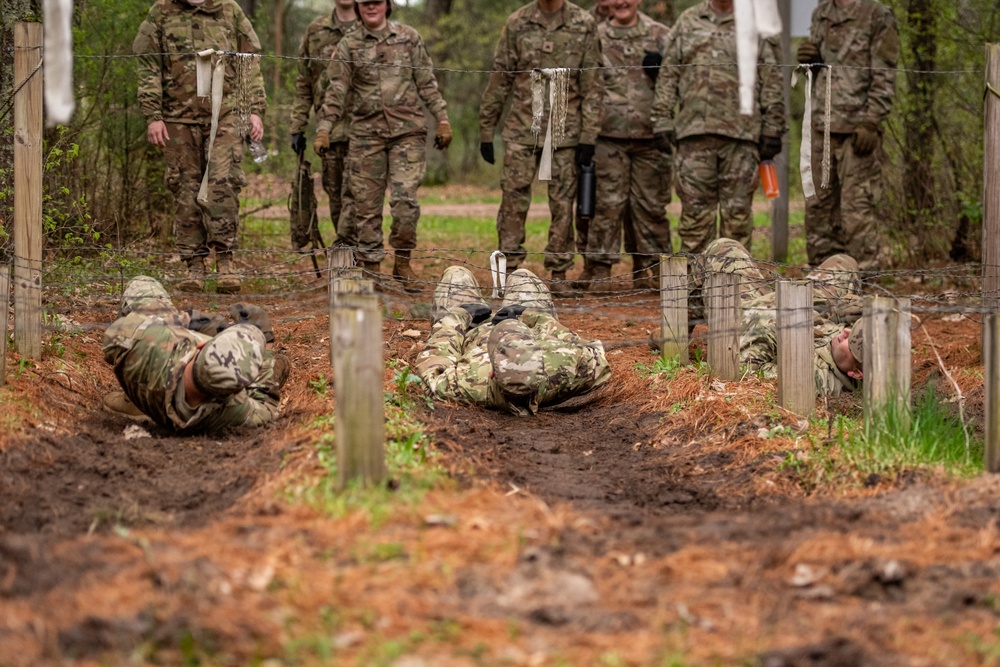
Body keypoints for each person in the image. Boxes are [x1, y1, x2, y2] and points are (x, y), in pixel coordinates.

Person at [315, 0, 451, 293]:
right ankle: (372, 270)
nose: (371, 8)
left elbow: (427, 81)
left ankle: (402, 263)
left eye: (377, 2)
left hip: (407, 132)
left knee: (405, 203)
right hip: (366, 135)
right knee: (366, 207)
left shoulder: (409, 37)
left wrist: (442, 118)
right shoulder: (349, 45)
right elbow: (336, 90)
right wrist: (324, 128)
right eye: (365, 3)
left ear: (387, 5)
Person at [133, 0, 266, 295]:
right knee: (185, 187)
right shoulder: (162, 11)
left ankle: (226, 261)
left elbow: (249, 61)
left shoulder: (229, 10)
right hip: (178, 117)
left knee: (223, 181)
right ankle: (194, 263)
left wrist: (254, 109)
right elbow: (148, 63)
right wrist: (153, 115)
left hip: (227, 113)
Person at [478, 0, 603, 286]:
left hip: (565, 132)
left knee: (563, 205)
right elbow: (500, 78)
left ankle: (559, 273)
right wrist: (487, 128)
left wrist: (588, 136)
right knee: (513, 199)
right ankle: (509, 272)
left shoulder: (583, 24)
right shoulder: (517, 22)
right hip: (523, 129)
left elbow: (593, 84)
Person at [651, 0, 785, 255]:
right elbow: (669, 74)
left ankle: (735, 288)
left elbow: (772, 79)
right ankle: (696, 289)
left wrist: (772, 126)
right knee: (695, 220)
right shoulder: (688, 21)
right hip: (694, 137)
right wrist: (661, 118)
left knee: (737, 218)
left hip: (742, 137)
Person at [415, 267, 612, 416]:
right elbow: (595, 354)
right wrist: (531, 317)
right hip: (525, 320)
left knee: (456, 274)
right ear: (540, 357)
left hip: (469, 329)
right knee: (522, 275)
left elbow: (435, 358)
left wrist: (459, 315)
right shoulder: (562, 367)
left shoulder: (471, 380)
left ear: (492, 372)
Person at [102, 277, 288, 432]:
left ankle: (132, 403)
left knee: (142, 283)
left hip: (153, 361)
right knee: (280, 365)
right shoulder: (230, 411)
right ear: (233, 392)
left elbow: (117, 336)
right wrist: (267, 347)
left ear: (199, 346)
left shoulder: (147, 343)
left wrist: (191, 320)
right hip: (169, 399)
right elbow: (267, 408)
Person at [797, 0, 898, 270]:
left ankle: (862, 285)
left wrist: (872, 122)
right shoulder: (822, 13)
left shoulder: (877, 14)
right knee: (818, 210)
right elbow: (819, 68)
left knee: (857, 213)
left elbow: (884, 74)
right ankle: (824, 281)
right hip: (822, 126)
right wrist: (811, 60)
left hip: (857, 131)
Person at [701, 238, 864, 396]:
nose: (846, 332)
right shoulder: (846, 350)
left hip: (748, 315)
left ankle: (690, 315)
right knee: (844, 263)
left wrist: (779, 317)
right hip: (797, 307)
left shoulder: (816, 377)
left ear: (856, 373)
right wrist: (840, 310)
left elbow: (749, 369)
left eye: (850, 343)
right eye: (854, 329)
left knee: (724, 248)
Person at [584, 0, 671, 292]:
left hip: (651, 136)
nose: (622, 2)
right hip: (608, 136)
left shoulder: (661, 34)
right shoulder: (594, 36)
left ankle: (655, 269)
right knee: (607, 205)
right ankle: (600, 270)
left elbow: (681, 81)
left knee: (651, 207)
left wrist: (662, 73)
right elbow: (582, 83)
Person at [289, 0, 359, 248]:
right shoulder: (315, 31)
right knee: (336, 193)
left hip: (366, 129)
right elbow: (303, 82)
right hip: (329, 132)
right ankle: (348, 256)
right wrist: (298, 125)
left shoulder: (371, 26)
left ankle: (359, 254)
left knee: (360, 196)